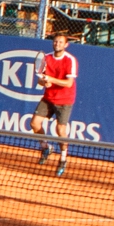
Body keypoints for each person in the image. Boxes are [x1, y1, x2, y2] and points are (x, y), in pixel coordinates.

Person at [34, 32, 78, 177]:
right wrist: (44, 82)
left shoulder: (70, 60)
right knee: (34, 124)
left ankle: (63, 159)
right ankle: (46, 147)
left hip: (65, 100)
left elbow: (68, 83)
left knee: (61, 131)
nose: (57, 44)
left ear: (66, 45)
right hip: (48, 97)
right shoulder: (46, 58)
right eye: (55, 41)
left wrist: (51, 79)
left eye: (60, 42)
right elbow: (41, 81)